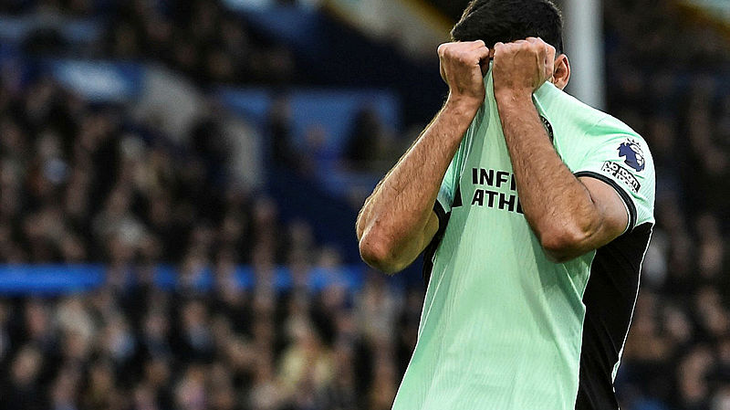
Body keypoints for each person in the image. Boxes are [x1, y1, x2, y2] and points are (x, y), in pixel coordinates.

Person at [355, 0, 655, 409]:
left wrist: (515, 97)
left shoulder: (611, 143)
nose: (494, 90)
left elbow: (565, 229)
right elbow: (380, 245)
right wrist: (458, 104)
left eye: (510, 72)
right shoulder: (455, 134)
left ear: (559, 71)